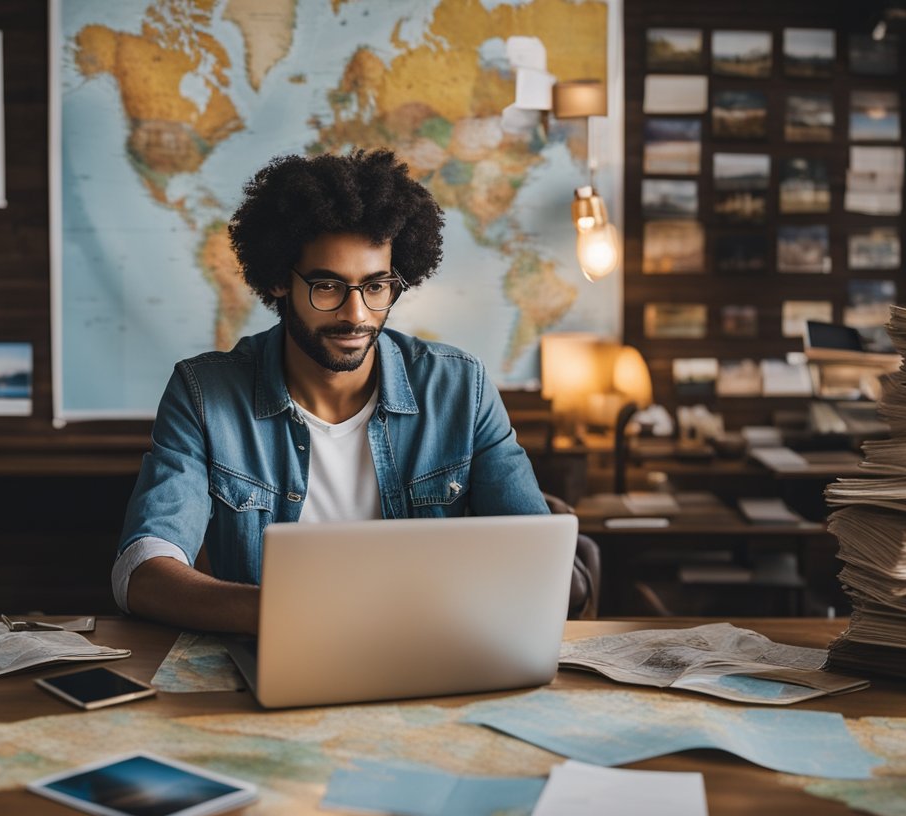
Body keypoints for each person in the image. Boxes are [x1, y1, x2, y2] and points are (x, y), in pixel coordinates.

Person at [115, 149, 583, 634]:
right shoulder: (204, 395)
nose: (356, 314)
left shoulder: (462, 389)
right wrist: (290, 616)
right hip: (275, 663)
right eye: (327, 286)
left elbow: (544, 566)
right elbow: (144, 571)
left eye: (376, 286)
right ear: (278, 280)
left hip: (433, 656)